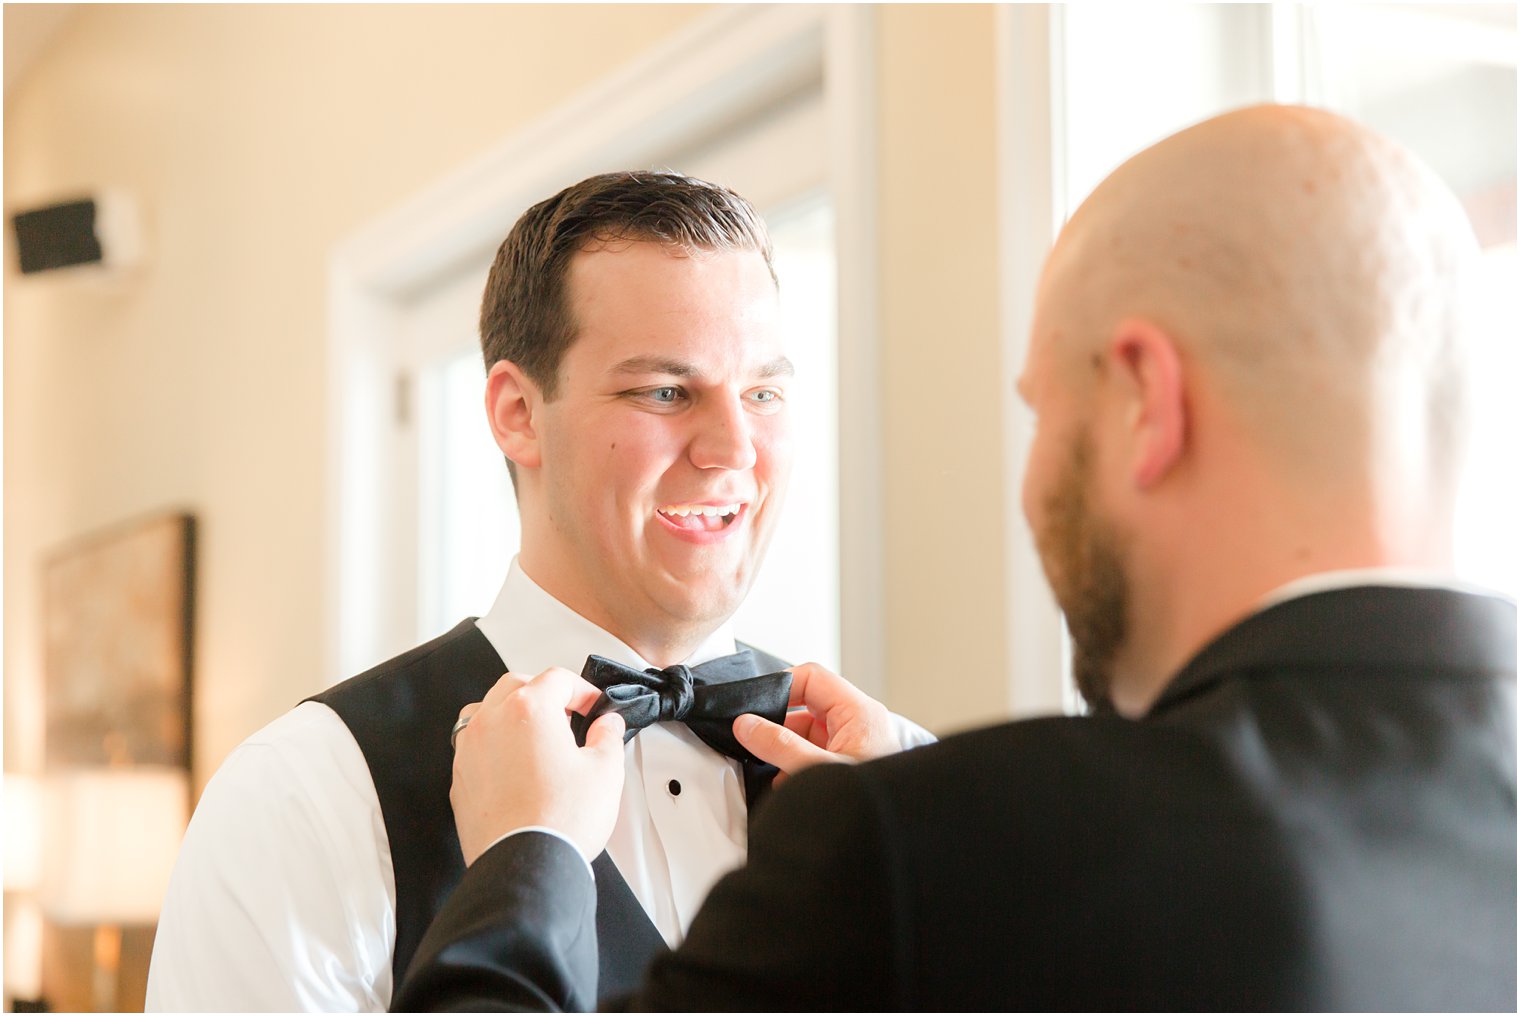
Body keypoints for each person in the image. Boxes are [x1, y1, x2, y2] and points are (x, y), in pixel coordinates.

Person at [392, 106, 1517, 1012]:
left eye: (1043, 414)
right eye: (663, 387)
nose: (732, 441)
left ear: (1141, 401)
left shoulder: (937, 849)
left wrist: (525, 858)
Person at [145, 171, 934, 1011]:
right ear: (518, 412)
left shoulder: (902, 781)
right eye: (665, 391)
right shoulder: (304, 798)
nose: (734, 449)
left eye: (763, 393)